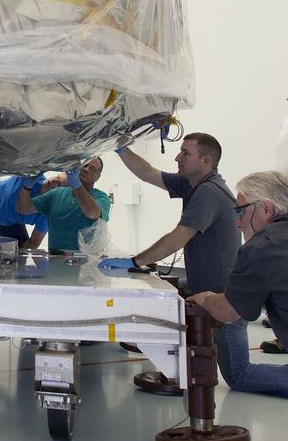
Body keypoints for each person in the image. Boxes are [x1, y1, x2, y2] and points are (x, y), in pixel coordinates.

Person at [98, 131, 243, 384]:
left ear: (206, 162)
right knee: (158, 297)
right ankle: (172, 365)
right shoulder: (191, 184)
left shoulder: (209, 192)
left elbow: (178, 238)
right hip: (205, 289)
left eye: (185, 153)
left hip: (223, 299)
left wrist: (134, 262)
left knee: (238, 376)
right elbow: (149, 173)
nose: (177, 157)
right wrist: (120, 147)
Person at [189, 171, 288, 396]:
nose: (237, 222)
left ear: (266, 209)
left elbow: (228, 312)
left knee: (238, 375)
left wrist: (205, 298)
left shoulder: (263, 246)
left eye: (240, 211)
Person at [16, 159, 111, 253]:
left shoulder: (101, 197)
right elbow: (23, 208)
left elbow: (92, 214)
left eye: (92, 169)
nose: (86, 169)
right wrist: (27, 186)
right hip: (56, 256)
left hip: (85, 257)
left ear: (98, 176)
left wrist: (76, 184)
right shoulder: (56, 194)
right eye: (85, 165)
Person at [0, 174, 66, 245]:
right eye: (57, 177)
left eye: (59, 185)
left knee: (19, 254)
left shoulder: (47, 214)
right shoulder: (31, 176)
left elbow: (33, 243)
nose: (54, 181)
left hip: (9, 222)